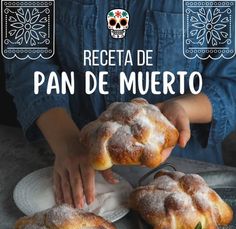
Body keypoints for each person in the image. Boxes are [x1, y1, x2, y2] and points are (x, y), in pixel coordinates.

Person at [4, 0, 236, 208]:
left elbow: (231, 79)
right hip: (69, 163)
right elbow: (25, 53)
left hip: (184, 183)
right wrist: (66, 141)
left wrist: (183, 108)